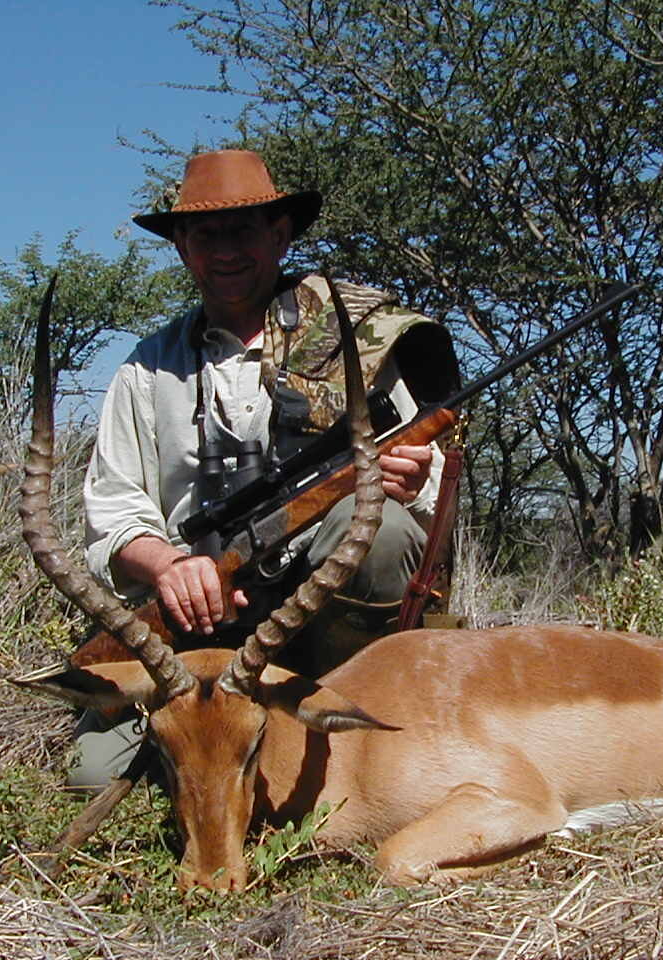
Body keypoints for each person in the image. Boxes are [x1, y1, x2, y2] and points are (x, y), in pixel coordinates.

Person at [69, 149, 458, 790]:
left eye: (245, 230)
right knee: (94, 777)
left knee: (381, 531)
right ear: (182, 247)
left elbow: (431, 487)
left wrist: (413, 481)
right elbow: (112, 514)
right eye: (207, 234)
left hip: (316, 614)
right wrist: (171, 568)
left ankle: (357, 720)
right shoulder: (146, 369)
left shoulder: (358, 338)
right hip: (199, 628)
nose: (227, 250)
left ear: (280, 235)